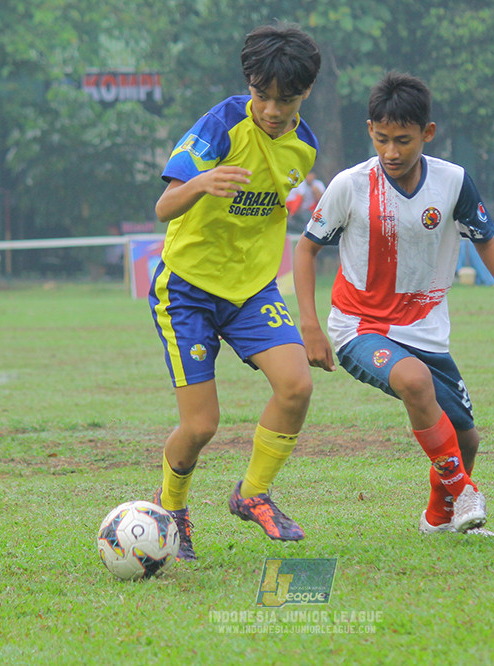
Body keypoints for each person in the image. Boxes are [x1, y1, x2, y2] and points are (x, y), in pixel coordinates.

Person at [293, 72, 494, 538]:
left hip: (425, 329)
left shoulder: (453, 182)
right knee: (414, 382)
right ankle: (464, 493)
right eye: (381, 140)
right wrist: (311, 326)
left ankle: (438, 518)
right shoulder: (350, 185)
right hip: (360, 327)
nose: (391, 152)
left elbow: (487, 242)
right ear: (370, 131)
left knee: (466, 438)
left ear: (427, 133)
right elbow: (306, 249)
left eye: (403, 140)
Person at [148, 23, 321, 561]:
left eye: (284, 99)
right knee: (200, 426)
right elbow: (165, 208)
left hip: (251, 290)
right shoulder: (221, 124)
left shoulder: (304, 150)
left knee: (296, 388)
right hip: (188, 290)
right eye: (261, 95)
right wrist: (201, 182)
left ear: (304, 94)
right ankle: (172, 509)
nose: (271, 108)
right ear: (250, 86)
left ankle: (252, 494)